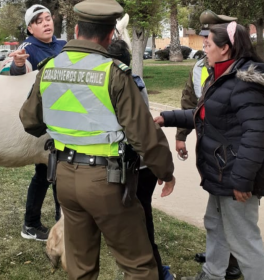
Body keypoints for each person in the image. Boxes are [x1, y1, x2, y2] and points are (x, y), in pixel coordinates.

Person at [20, 0, 176, 279]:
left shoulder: (49, 68)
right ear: (109, 36)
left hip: (64, 178)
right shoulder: (113, 73)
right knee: (139, 265)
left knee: (80, 266)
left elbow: (29, 121)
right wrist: (165, 171)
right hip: (107, 181)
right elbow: (143, 135)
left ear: (77, 29)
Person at [155, 21, 264, 280]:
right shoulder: (221, 75)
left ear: (225, 48)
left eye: (208, 44)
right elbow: (205, 115)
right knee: (215, 225)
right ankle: (212, 274)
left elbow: (257, 134)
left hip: (235, 176)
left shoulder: (244, 82)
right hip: (220, 172)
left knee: (244, 240)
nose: (204, 48)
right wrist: (166, 117)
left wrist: (242, 180)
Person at [175, 10, 242, 279]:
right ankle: (220, 259)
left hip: (235, 158)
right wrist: (181, 136)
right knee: (217, 216)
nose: (204, 44)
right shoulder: (202, 66)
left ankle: (233, 262)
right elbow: (190, 102)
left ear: (227, 43)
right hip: (214, 155)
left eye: (209, 39)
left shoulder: (245, 73)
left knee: (236, 219)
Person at [108, 39, 174, 280]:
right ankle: (149, 269)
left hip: (133, 165)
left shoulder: (122, 86)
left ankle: (155, 271)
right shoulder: (135, 81)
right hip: (142, 165)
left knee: (140, 221)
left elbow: (139, 132)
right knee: (140, 218)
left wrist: (163, 170)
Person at [0, 4, 66, 241]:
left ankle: (33, 224)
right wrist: (17, 65)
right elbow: (17, 75)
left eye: (48, 18)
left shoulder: (63, 45)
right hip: (46, 123)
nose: (46, 23)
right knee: (54, 171)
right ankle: (52, 226)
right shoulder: (27, 48)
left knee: (47, 172)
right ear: (29, 28)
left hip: (64, 119)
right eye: (39, 21)